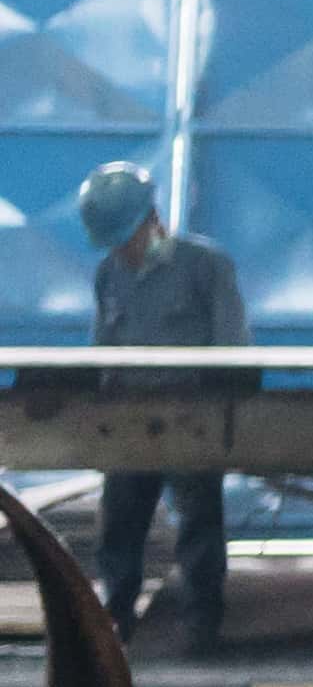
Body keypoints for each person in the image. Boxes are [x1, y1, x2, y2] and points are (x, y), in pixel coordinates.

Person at [63, 161, 240, 655]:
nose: (124, 251)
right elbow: (103, 351)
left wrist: (219, 408)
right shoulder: (109, 276)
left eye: (128, 238)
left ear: (151, 220)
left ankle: (202, 624)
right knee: (120, 523)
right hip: (130, 422)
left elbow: (232, 347)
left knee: (198, 522)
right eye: (115, 243)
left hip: (191, 419)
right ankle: (114, 619)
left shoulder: (206, 267)